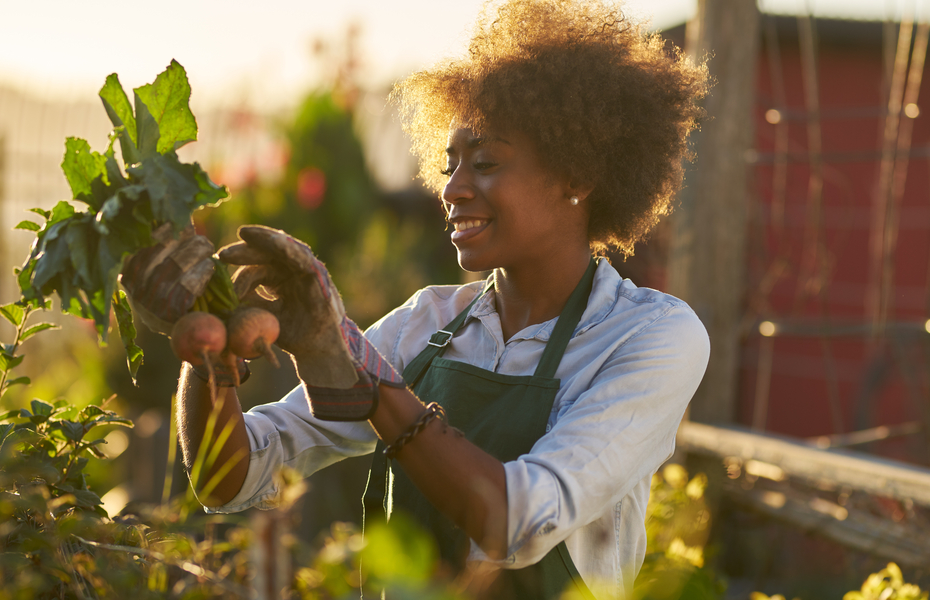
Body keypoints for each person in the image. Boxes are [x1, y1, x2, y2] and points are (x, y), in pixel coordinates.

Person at [122, 0, 710, 597]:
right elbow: (230, 478)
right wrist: (210, 355)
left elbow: (520, 521)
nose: (452, 188)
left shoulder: (649, 337)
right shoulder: (428, 324)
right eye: (449, 163)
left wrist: (372, 384)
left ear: (577, 177)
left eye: (484, 162)